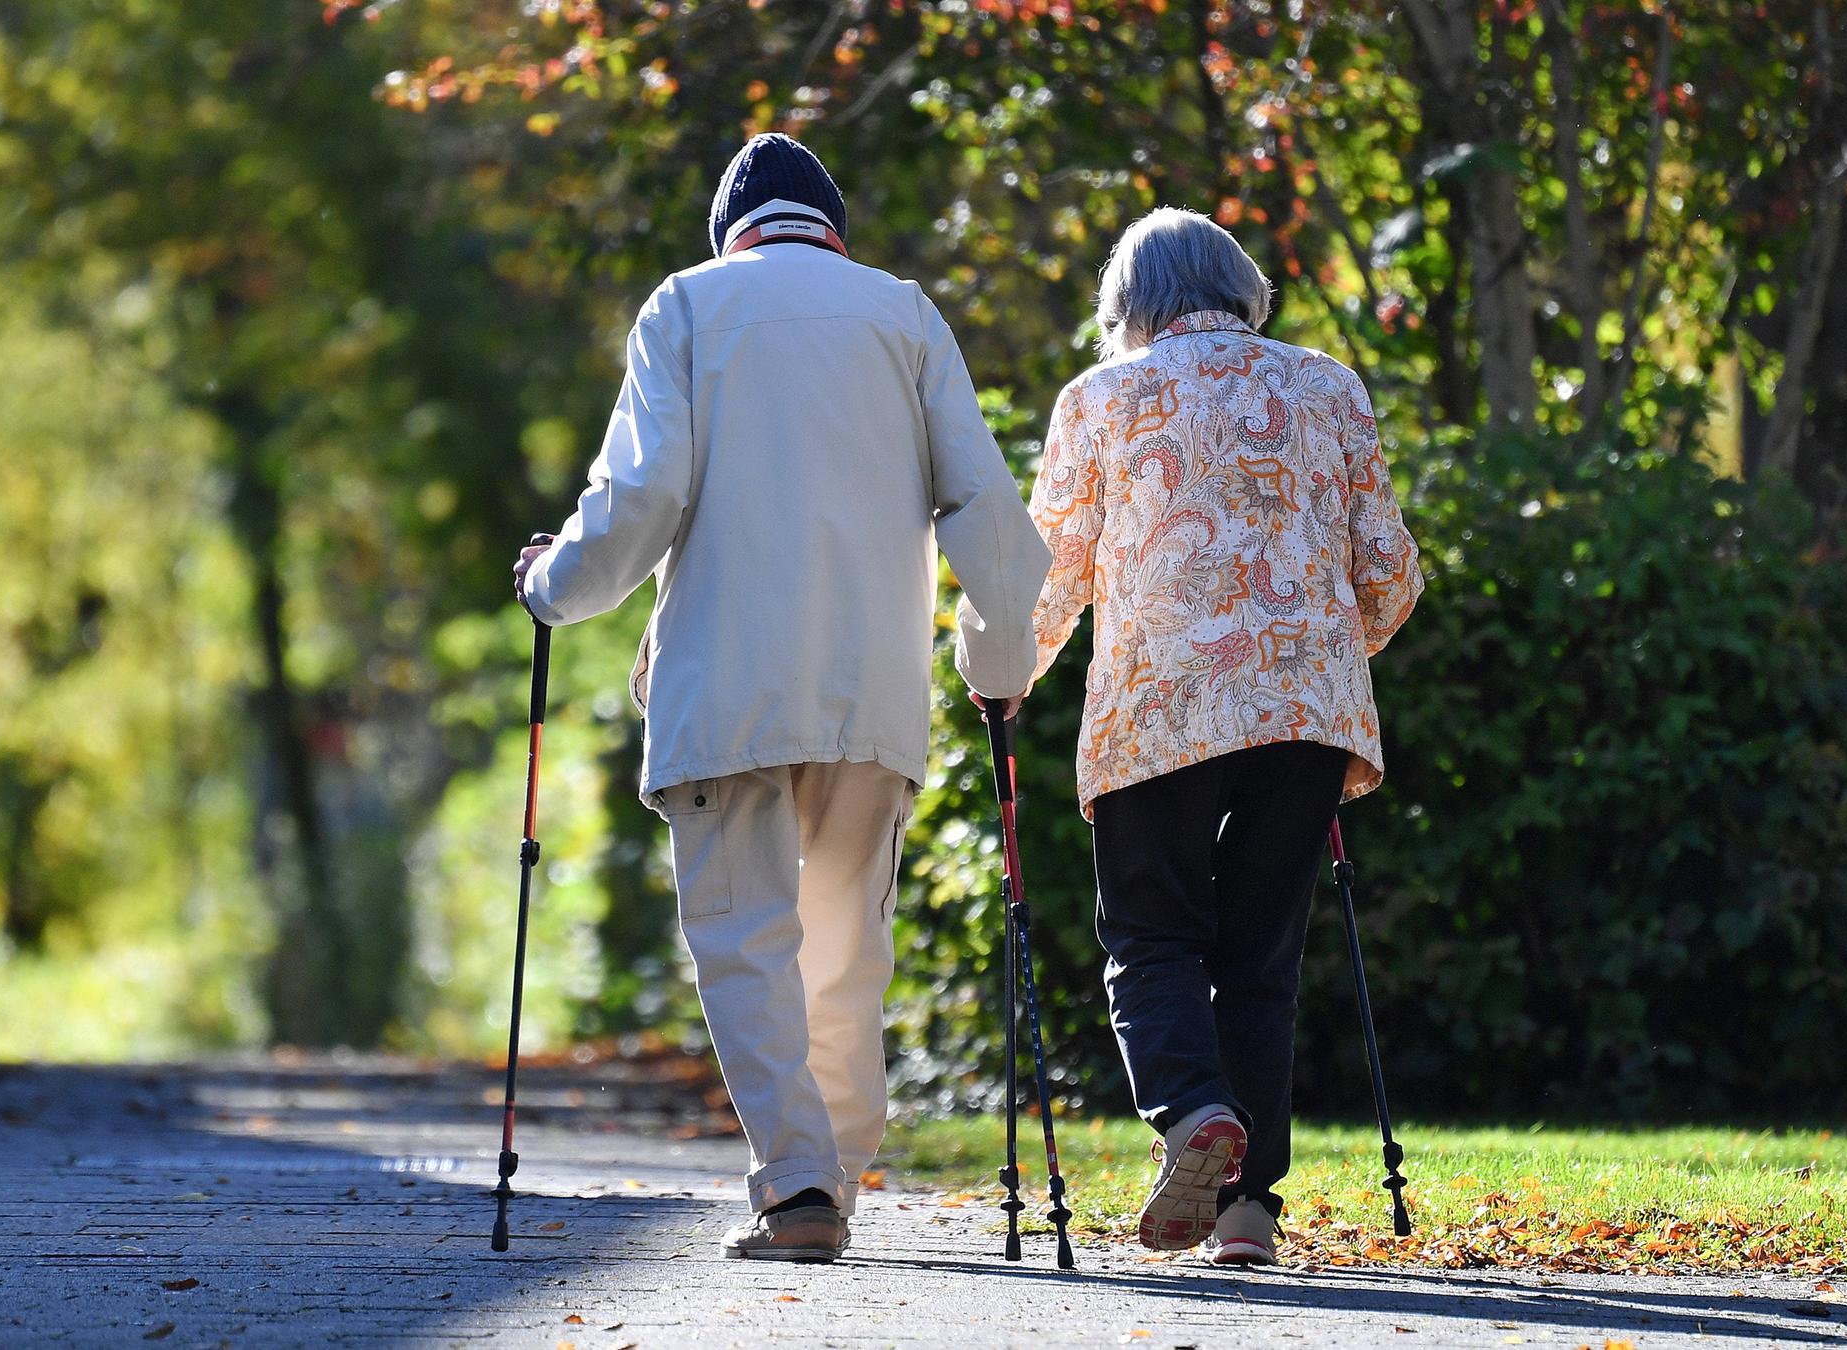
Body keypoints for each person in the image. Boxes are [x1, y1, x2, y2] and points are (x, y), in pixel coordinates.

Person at [512, 134, 1051, 1263]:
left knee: (745, 942)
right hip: (873, 688)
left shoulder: (688, 308)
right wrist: (998, 665)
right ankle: (833, 1171)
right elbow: (991, 518)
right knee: (847, 944)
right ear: (834, 230)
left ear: (731, 236)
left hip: (727, 688)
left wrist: (552, 587)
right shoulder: (902, 313)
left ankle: (801, 1184)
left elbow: (640, 495)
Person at [1019, 207, 1423, 1266]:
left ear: (1127, 309)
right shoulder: (1326, 384)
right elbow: (1389, 569)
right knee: (1260, 954)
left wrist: (1007, 678)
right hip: (1306, 714)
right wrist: (1325, 656)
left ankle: (1196, 1112)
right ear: (1243, 290)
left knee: (1150, 935)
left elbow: (1051, 573)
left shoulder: (1100, 398)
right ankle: (1249, 1212)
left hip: (1159, 706)